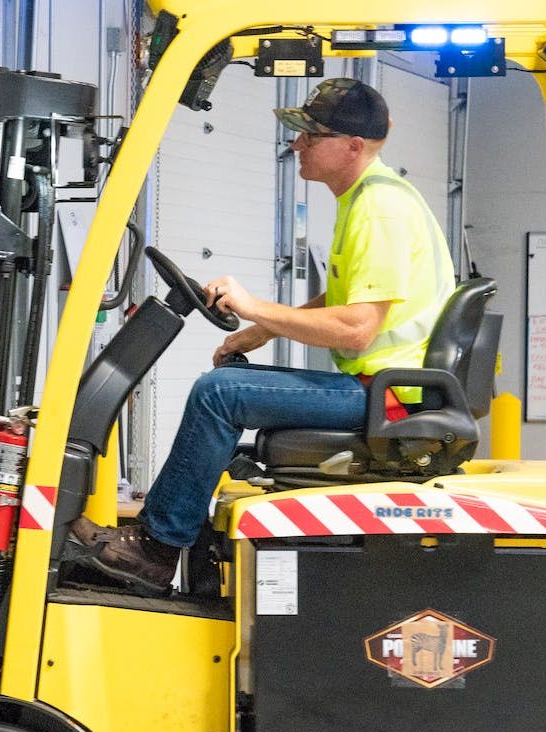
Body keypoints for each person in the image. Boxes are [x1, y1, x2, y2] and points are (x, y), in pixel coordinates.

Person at [69, 77, 455, 593]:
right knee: (227, 384)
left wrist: (253, 305)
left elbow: (357, 328)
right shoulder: (369, 197)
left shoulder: (379, 208)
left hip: (388, 397)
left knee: (219, 393)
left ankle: (156, 551)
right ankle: (166, 535)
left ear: (353, 146)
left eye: (311, 135)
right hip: (384, 389)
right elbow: (347, 296)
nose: (297, 144)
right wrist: (259, 330)